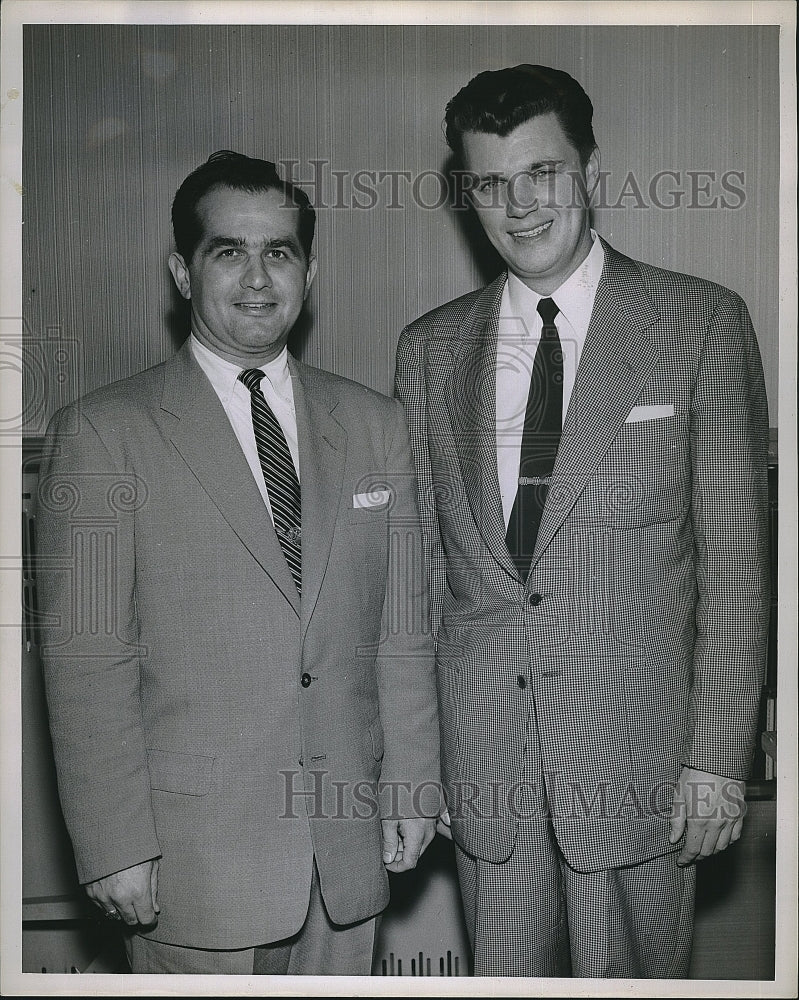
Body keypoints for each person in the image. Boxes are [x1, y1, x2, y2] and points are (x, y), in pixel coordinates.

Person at [394, 65, 770, 978]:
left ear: (590, 171)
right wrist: (420, 762)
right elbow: (418, 581)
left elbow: (734, 562)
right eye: (489, 183)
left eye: (542, 174)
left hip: (638, 760)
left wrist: (718, 758)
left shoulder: (699, 323)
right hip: (485, 767)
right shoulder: (427, 348)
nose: (518, 207)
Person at [37, 150, 440, 975]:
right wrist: (114, 844)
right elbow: (88, 664)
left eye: (279, 252)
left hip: (345, 852)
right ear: (182, 272)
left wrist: (412, 785)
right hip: (193, 864)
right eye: (229, 251)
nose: (258, 278)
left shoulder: (373, 425)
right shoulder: (104, 433)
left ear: (310, 270)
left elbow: (403, 630)